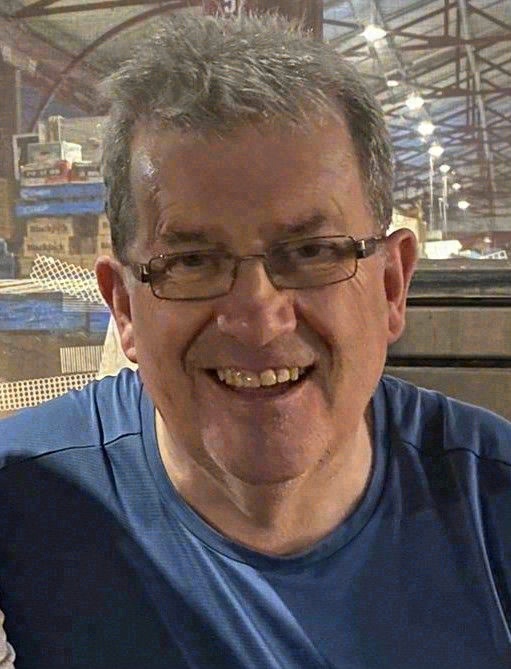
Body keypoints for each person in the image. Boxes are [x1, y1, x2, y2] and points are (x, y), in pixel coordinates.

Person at [1, 11, 510, 669]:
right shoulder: (28, 495)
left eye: (312, 252)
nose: (257, 318)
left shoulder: (493, 503)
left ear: (391, 285)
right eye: (191, 262)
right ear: (123, 306)